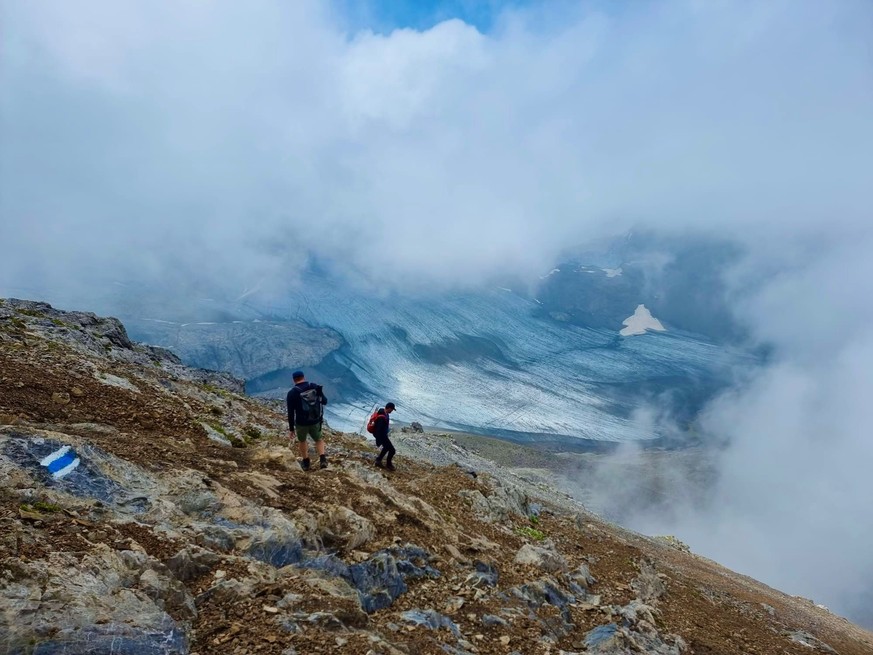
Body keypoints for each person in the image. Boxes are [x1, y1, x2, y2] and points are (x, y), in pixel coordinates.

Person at [286, 370, 328, 470]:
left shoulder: (292, 393)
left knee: (302, 441)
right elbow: (325, 401)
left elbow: (290, 412)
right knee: (318, 439)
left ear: (294, 380)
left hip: (301, 423)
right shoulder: (313, 386)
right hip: (315, 420)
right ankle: (322, 459)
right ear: (303, 377)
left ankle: (306, 462)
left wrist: (291, 429)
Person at [373, 402, 396, 470]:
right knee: (392, 450)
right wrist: (379, 440)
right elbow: (378, 430)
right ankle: (388, 464)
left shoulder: (385, 413)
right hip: (382, 436)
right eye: (392, 409)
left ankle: (378, 460)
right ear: (389, 408)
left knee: (386, 448)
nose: (392, 411)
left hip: (383, 435)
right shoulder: (382, 417)